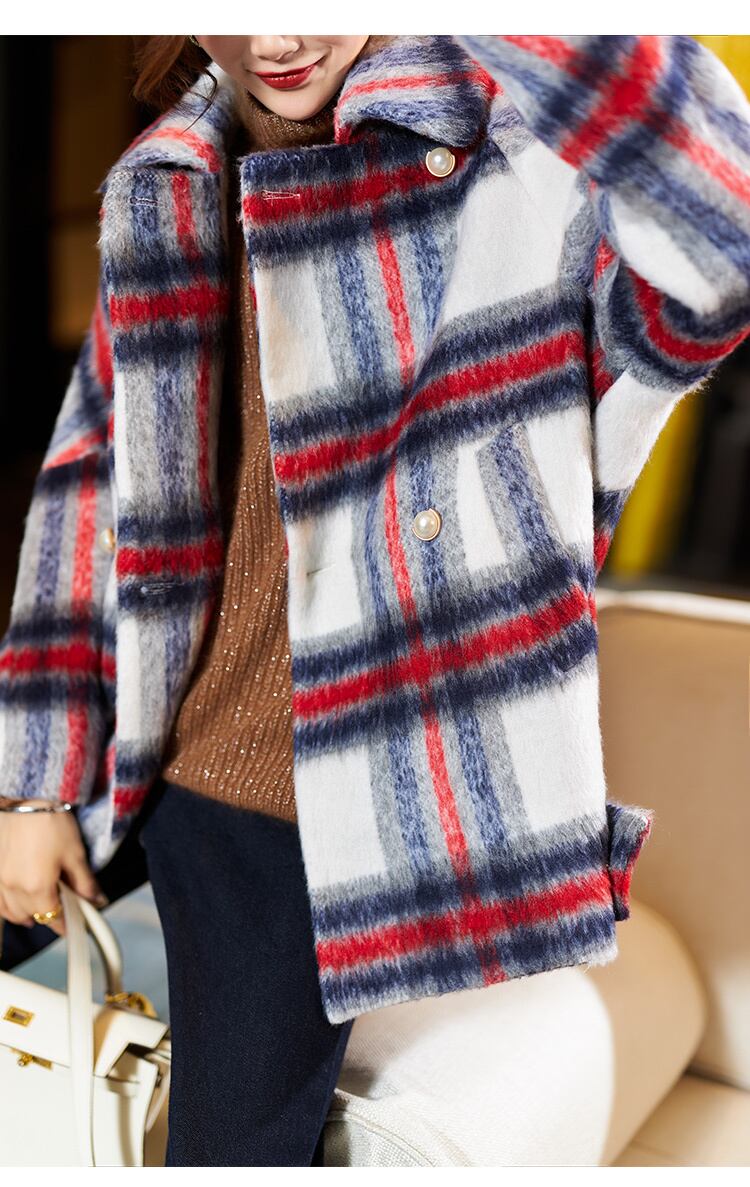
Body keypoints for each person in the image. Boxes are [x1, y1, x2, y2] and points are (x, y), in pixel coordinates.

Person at [1, 33, 749, 1168]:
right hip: (134, 745)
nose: (277, 36)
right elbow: (88, 483)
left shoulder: (520, 171)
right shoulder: (170, 174)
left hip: (311, 807)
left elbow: (721, 253)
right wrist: (34, 781)